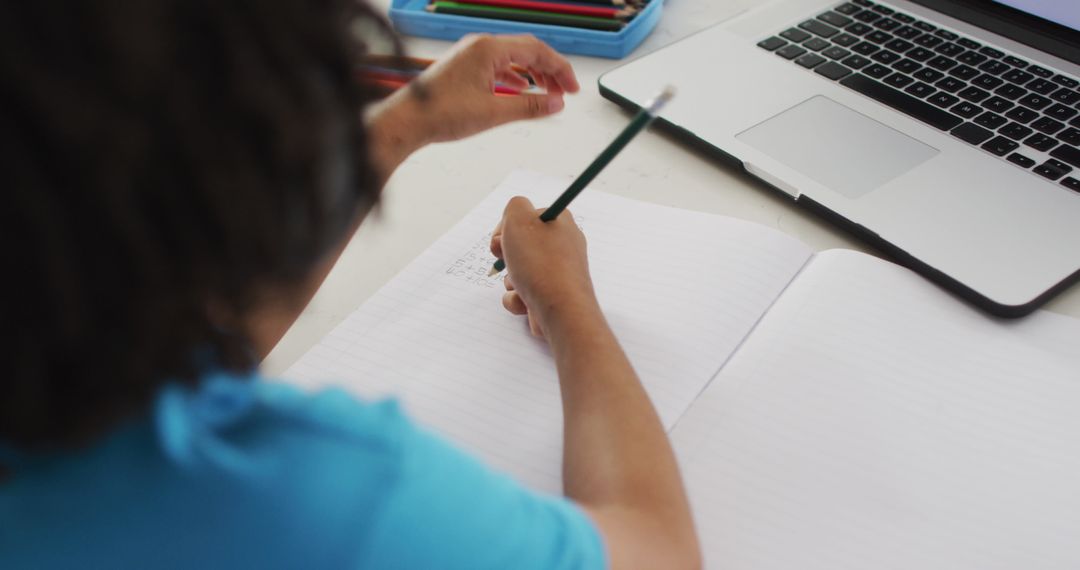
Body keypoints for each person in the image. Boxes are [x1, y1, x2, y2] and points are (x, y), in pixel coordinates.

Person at [1, 1, 700, 568]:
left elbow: (189, 321)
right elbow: (655, 552)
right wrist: (567, 301)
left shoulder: (62, 327)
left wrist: (407, 122)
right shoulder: (303, 493)